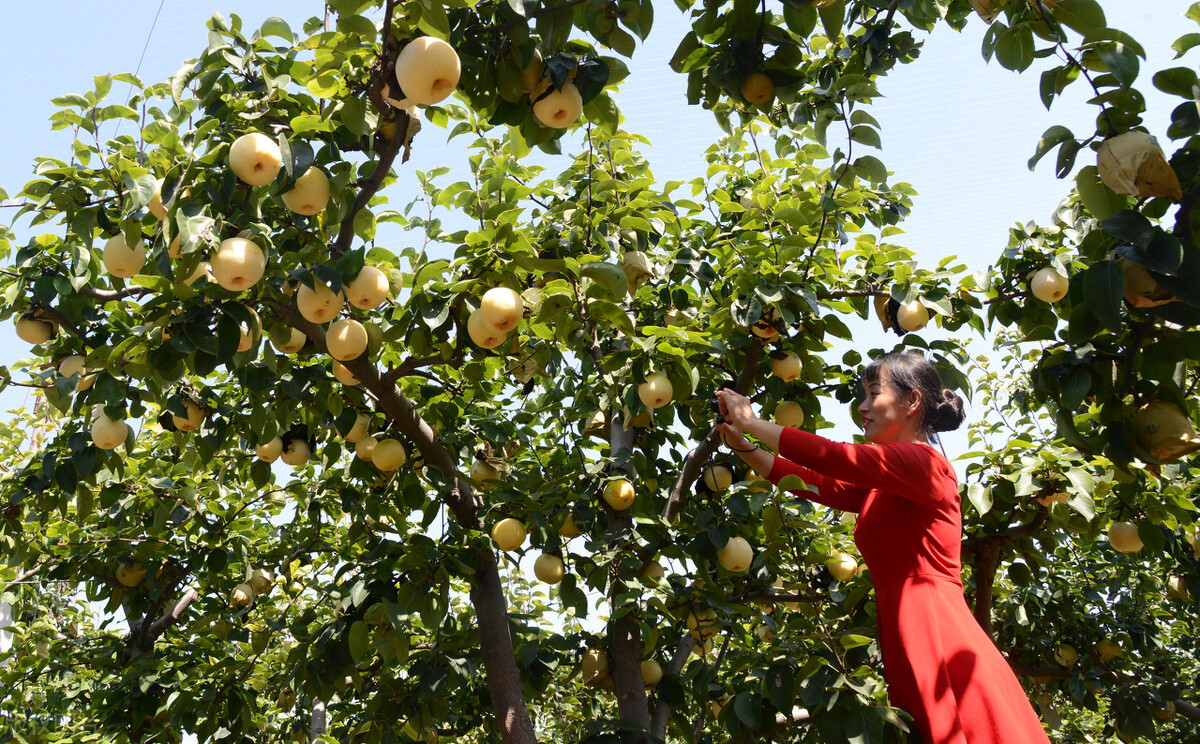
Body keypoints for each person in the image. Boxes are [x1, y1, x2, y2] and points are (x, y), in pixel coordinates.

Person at [714, 351, 1049, 744]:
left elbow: (836, 458)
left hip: (933, 620)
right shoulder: (885, 482)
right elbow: (814, 482)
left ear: (912, 402)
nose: (862, 406)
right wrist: (743, 446)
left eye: (874, 394)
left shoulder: (925, 464)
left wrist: (752, 421)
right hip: (906, 621)